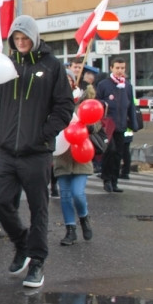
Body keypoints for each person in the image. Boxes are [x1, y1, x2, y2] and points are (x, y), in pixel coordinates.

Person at [0, 16, 73, 289]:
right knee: (0, 202)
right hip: (7, 151)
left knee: (39, 209)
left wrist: (43, 134)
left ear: (34, 38)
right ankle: (22, 244)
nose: (21, 43)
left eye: (25, 38)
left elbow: (64, 106)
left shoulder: (51, 66)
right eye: (17, 39)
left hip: (36, 153)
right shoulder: (6, 65)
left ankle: (36, 262)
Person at [57, 71, 96, 246]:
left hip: (81, 153)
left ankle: (84, 217)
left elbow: (95, 123)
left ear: (74, 82)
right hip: (62, 156)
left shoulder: (83, 102)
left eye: (69, 80)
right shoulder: (53, 101)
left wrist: (85, 125)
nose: (66, 83)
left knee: (78, 194)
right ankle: (70, 230)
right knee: (65, 195)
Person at [95, 57, 140, 193]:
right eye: (117, 68)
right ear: (111, 68)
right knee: (110, 150)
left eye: (122, 68)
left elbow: (131, 105)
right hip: (108, 125)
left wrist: (133, 123)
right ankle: (106, 179)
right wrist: (105, 104)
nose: (120, 71)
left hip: (121, 124)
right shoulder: (104, 84)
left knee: (118, 153)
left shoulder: (127, 85)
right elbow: (97, 102)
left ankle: (114, 181)